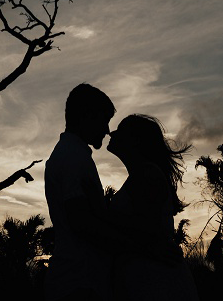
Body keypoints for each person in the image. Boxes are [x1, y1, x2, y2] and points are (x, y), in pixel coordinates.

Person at [106, 114, 199, 301]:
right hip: (147, 278)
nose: (111, 133)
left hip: (156, 281)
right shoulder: (142, 175)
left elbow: (146, 230)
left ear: (135, 140)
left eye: (120, 130)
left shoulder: (147, 174)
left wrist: (101, 212)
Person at [44, 83, 117, 301]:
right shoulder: (73, 158)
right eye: (103, 120)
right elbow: (82, 222)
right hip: (79, 284)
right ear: (86, 117)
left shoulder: (72, 154)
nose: (106, 130)